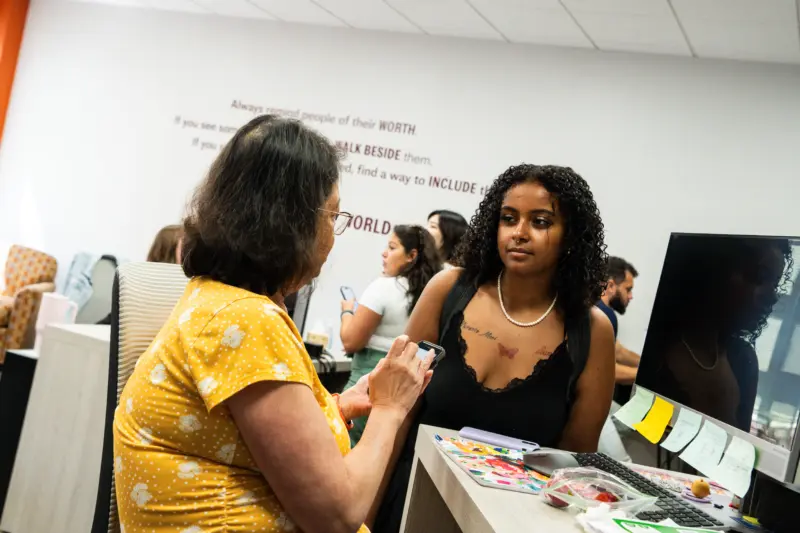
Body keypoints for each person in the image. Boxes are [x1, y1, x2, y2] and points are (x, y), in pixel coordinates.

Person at [113, 115, 434, 533]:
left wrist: (336, 407)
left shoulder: (221, 299)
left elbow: (239, 432)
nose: (334, 235)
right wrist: (391, 409)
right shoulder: (246, 320)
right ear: (292, 223)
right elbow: (337, 515)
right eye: (333, 216)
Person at [374, 164, 616, 533]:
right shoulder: (448, 290)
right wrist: (367, 513)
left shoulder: (591, 331)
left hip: (507, 523)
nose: (519, 233)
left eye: (540, 222)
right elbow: (397, 415)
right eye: (508, 218)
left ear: (571, 237)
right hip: (412, 501)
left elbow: (573, 464)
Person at [637, 235, 792, 432]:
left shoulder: (743, 359)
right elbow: (642, 428)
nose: (772, 296)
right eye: (760, 277)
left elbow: (738, 446)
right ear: (715, 270)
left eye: (775, 283)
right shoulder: (653, 346)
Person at [340, 225, 442, 444]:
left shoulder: (383, 288)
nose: (384, 253)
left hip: (365, 389)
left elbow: (350, 341)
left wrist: (347, 310)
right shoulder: (433, 296)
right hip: (403, 399)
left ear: (411, 255)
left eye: (392, 247)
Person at [596, 256, 640, 404]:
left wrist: (646, 364)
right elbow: (602, 372)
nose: (631, 296)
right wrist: (647, 374)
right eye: (628, 289)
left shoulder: (595, 307)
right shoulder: (603, 315)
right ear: (610, 287)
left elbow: (617, 351)